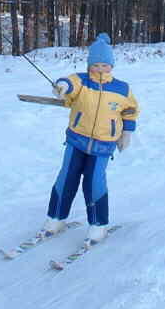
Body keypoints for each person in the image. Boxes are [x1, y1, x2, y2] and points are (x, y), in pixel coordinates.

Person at [42, 33, 140, 243]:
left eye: (105, 65)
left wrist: (127, 133)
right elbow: (68, 83)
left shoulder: (122, 88)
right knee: (66, 178)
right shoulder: (82, 80)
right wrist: (62, 87)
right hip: (77, 140)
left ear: (111, 66)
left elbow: (130, 111)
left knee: (94, 182)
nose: (101, 69)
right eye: (96, 65)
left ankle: (98, 225)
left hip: (103, 146)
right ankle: (56, 218)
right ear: (89, 65)